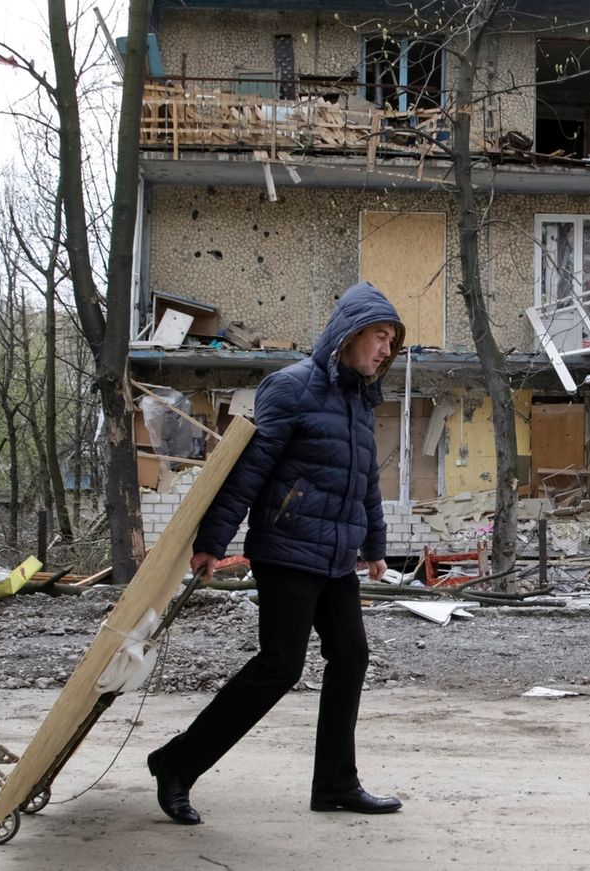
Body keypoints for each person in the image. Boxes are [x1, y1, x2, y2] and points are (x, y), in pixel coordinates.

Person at [147, 281, 405, 824]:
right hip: (286, 549)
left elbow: (365, 484)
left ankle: (335, 783)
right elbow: (249, 471)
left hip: (335, 556)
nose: (386, 350)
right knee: (280, 665)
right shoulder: (291, 387)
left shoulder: (360, 400)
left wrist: (377, 545)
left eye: (391, 341)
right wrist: (213, 541)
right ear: (350, 334)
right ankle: (177, 763)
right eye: (380, 337)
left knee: (351, 657)